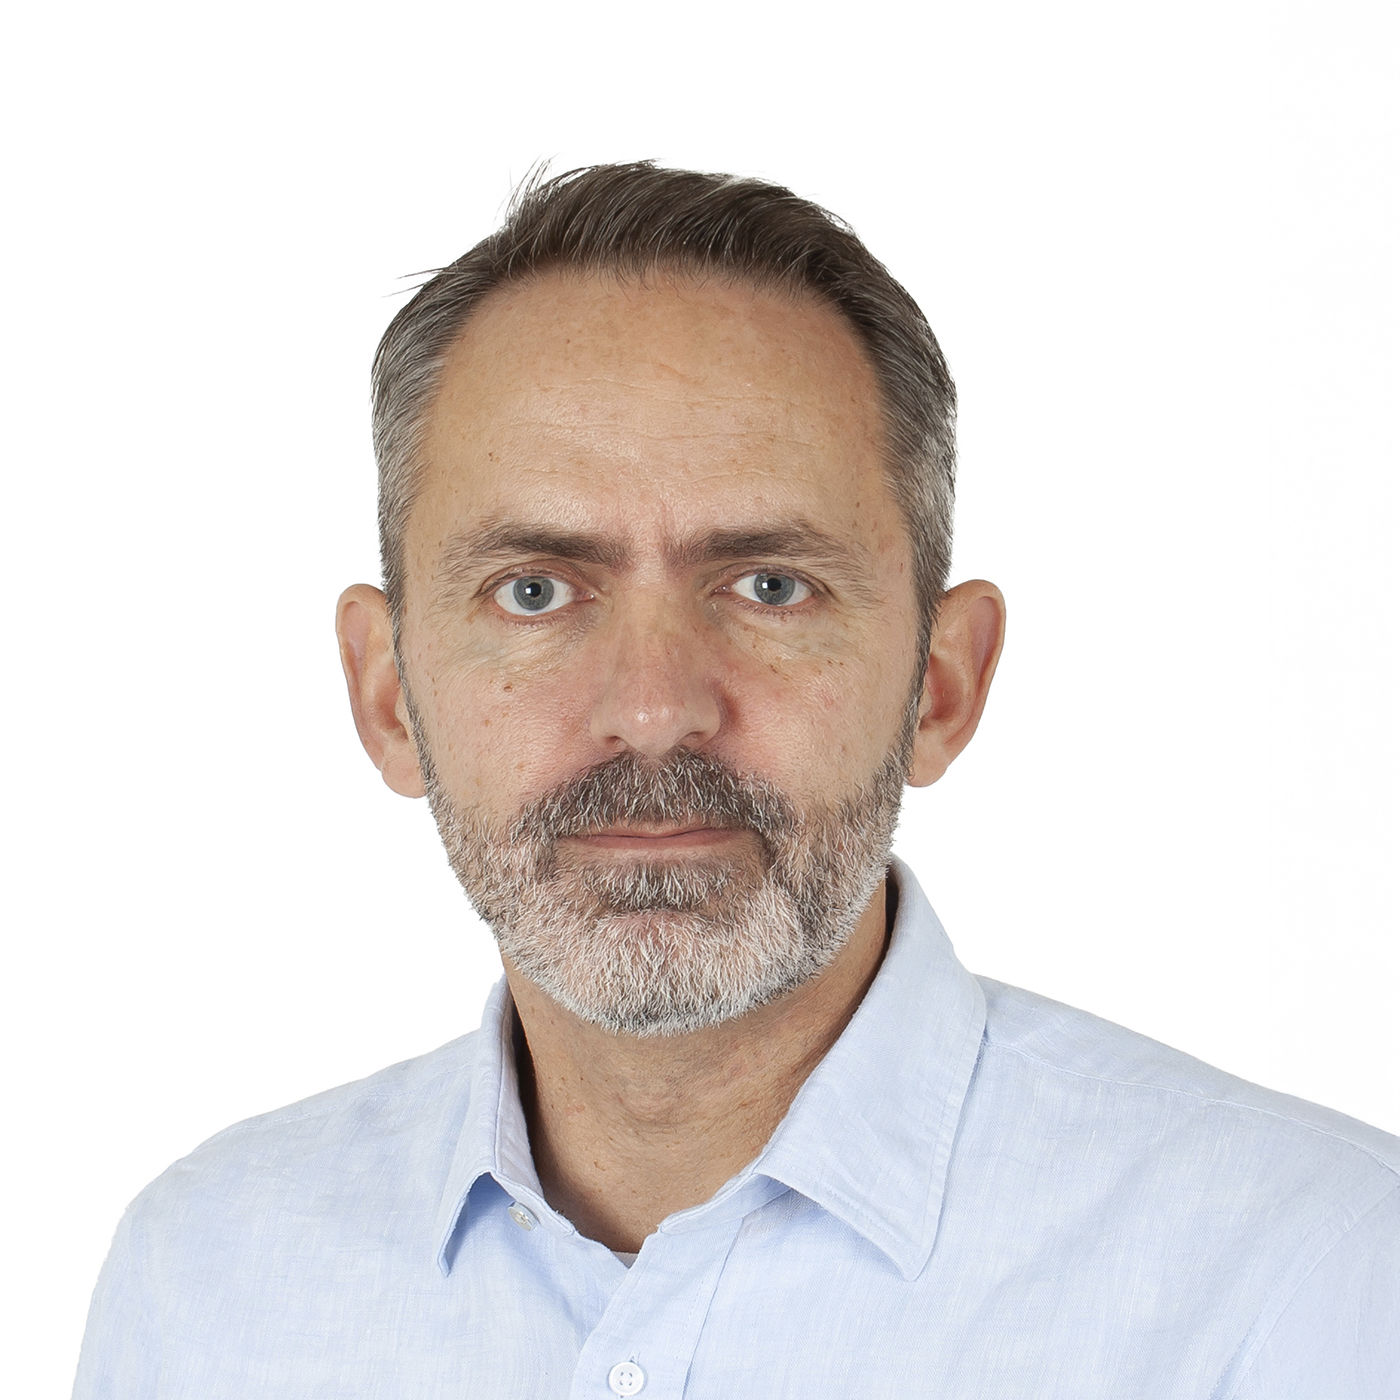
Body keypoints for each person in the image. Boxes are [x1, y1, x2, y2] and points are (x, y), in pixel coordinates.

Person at [73, 162, 1398, 1400]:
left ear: (941, 685)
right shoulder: (206, 1283)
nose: (656, 709)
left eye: (769, 585)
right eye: (534, 591)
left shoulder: (1310, 1274)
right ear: (386, 696)